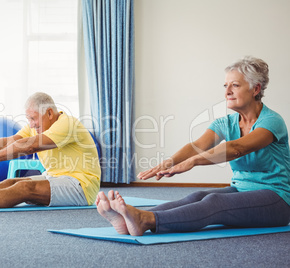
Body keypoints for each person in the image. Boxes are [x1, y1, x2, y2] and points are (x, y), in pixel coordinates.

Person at [96, 56, 290, 236]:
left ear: (256, 89)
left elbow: (236, 148)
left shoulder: (271, 122)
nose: (227, 92)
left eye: (235, 85)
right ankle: (130, 217)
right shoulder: (226, 123)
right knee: (197, 196)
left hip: (277, 199)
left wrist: (194, 162)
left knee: (215, 203)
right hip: (241, 189)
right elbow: (197, 146)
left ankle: (146, 220)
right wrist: (169, 162)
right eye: (225, 85)